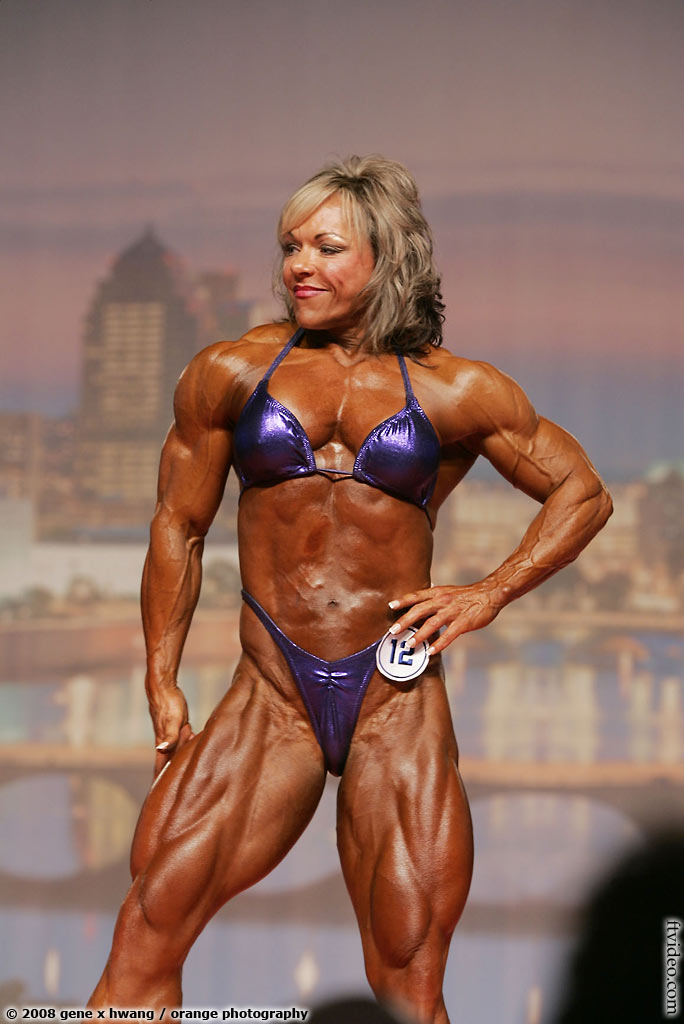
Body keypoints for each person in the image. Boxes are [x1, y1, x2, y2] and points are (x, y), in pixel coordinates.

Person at [89, 155, 612, 1023]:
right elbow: (178, 525)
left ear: (386, 257)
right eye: (291, 246)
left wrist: (488, 593)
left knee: (408, 976)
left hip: (393, 701)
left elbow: (582, 493)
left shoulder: (456, 387)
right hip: (270, 693)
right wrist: (161, 678)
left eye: (326, 248)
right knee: (147, 927)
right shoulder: (231, 371)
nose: (300, 265)